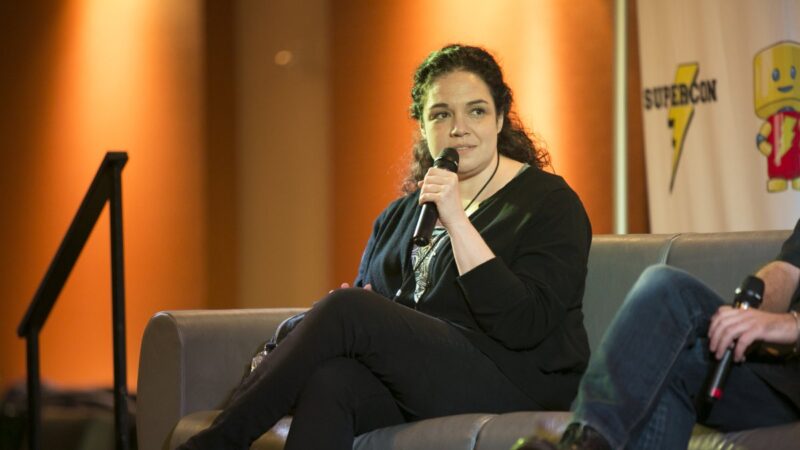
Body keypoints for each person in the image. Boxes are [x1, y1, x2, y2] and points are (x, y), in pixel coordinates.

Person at [178, 43, 592, 450]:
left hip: (519, 381)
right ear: (423, 127)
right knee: (332, 381)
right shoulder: (401, 215)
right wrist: (367, 310)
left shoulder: (549, 202)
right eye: (441, 114)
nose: (458, 128)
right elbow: (381, 312)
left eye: (476, 111)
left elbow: (524, 324)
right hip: (428, 380)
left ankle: (213, 445)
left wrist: (456, 220)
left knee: (347, 309)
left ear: (500, 119)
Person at [515, 219, 800, 450]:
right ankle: (585, 440)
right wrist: (750, 314)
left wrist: (792, 324)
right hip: (777, 375)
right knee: (664, 333)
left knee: (665, 304)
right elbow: (787, 269)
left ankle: (584, 443)